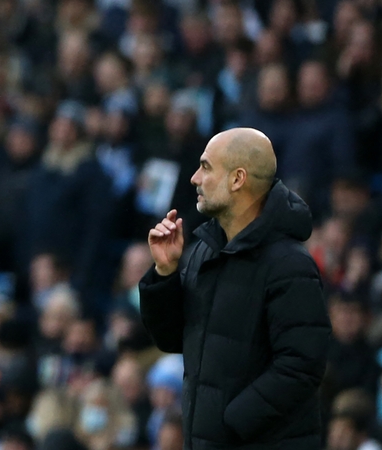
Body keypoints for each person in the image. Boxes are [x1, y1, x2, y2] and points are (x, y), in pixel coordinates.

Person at [139, 127, 331, 449]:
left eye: (206, 167)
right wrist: (166, 272)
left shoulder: (289, 264)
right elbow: (172, 338)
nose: (194, 178)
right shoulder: (204, 250)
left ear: (237, 179)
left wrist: (232, 422)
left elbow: (301, 366)